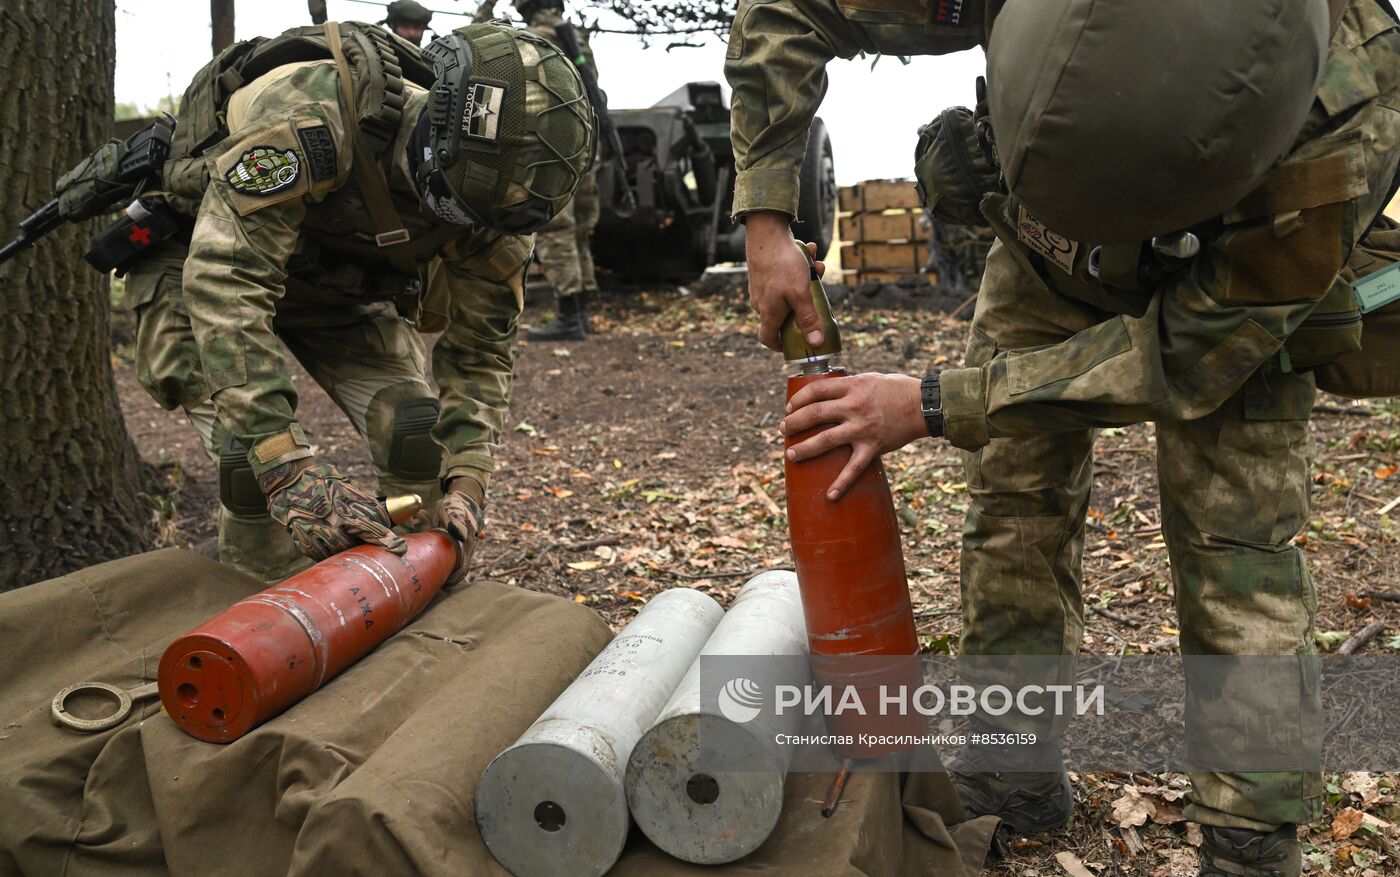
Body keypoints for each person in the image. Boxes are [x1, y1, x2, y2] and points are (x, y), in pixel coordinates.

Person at [726, 1, 1400, 875]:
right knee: (1014, 496)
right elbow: (790, 7)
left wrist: (936, 401)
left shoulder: (1348, 114)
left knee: (1238, 541)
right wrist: (767, 218)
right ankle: (1013, 767)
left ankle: (1248, 835)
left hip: (1227, 273)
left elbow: (1184, 362)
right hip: (1047, 252)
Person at [123, 20, 594, 582]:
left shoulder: (505, 207)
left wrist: (467, 484)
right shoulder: (311, 116)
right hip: (201, 265)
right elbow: (226, 281)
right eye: (462, 207)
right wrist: (288, 470)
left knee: (417, 434)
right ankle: (260, 618)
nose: (474, 228)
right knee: (248, 458)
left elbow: (481, 353)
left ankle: (406, 587)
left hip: (336, 286)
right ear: (437, 141)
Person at [514, 0, 602, 342]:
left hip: (553, 147)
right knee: (579, 230)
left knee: (555, 230)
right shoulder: (577, 38)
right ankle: (582, 312)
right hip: (587, 143)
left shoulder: (530, 39)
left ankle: (569, 316)